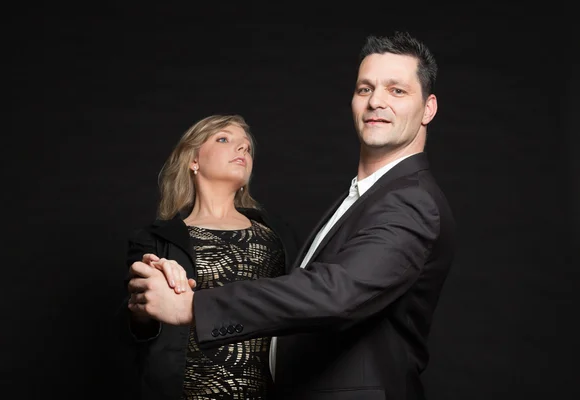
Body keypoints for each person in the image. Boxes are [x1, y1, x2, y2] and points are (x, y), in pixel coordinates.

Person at [128, 31, 456, 400]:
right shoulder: (364, 197)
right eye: (365, 89)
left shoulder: (411, 200)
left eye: (397, 90)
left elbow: (335, 293)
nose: (376, 101)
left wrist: (193, 305)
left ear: (428, 108)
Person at [123, 114, 299, 400]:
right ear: (194, 160)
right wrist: (143, 297)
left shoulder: (279, 236)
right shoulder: (155, 240)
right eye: (224, 139)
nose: (242, 149)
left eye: (247, 147)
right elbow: (137, 328)